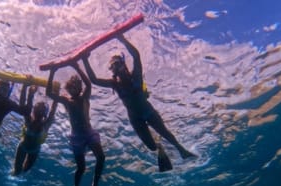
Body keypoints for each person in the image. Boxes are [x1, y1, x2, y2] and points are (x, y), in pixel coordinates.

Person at [83, 34, 196, 172]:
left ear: (124, 64)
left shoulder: (136, 75)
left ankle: (182, 151)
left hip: (148, 111)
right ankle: (159, 148)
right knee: (151, 147)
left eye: (117, 64)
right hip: (135, 118)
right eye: (112, 67)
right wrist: (85, 60)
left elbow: (136, 55)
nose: (116, 69)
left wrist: (122, 38)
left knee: (166, 133)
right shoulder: (114, 84)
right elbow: (94, 80)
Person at [46, 61, 110, 186]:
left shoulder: (85, 96)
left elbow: (88, 84)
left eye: (77, 86)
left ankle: (94, 184)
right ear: (68, 88)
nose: (74, 89)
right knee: (81, 167)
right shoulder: (66, 101)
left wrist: (77, 67)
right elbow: (49, 93)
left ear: (79, 88)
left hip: (89, 132)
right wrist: (52, 72)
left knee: (101, 157)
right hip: (76, 137)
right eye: (71, 86)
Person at [13, 84, 58, 175]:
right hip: (23, 147)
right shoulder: (28, 120)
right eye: (38, 109)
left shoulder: (46, 124)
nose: (40, 111)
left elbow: (53, 110)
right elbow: (26, 106)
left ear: (45, 113)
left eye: (42, 110)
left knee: (26, 170)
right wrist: (30, 93)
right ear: (34, 111)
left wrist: (56, 95)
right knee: (17, 171)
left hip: (34, 150)